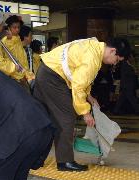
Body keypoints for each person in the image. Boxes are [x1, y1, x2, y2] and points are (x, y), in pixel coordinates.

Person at [34, 37, 131, 172]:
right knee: (66, 118)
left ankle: (35, 158)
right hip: (53, 77)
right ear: (113, 51)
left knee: (45, 120)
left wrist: (89, 97)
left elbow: (79, 77)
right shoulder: (92, 58)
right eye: (116, 60)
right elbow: (78, 86)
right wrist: (85, 113)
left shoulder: (94, 46)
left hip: (46, 71)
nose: (114, 64)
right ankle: (65, 161)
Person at [2, 15, 35, 88]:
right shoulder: (6, 41)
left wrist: (25, 75)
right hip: (14, 79)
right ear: (8, 28)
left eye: (18, 27)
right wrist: (20, 77)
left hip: (23, 77)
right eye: (14, 27)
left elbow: (22, 60)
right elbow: (9, 59)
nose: (17, 29)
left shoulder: (18, 39)